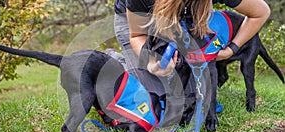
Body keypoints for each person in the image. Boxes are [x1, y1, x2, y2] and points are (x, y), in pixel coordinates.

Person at [114, 0, 270, 76]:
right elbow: (137, 36)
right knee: (149, 99)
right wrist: (151, 61)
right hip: (138, 23)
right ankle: (118, 63)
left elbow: (260, 13)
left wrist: (231, 49)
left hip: (182, 22)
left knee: (184, 95)